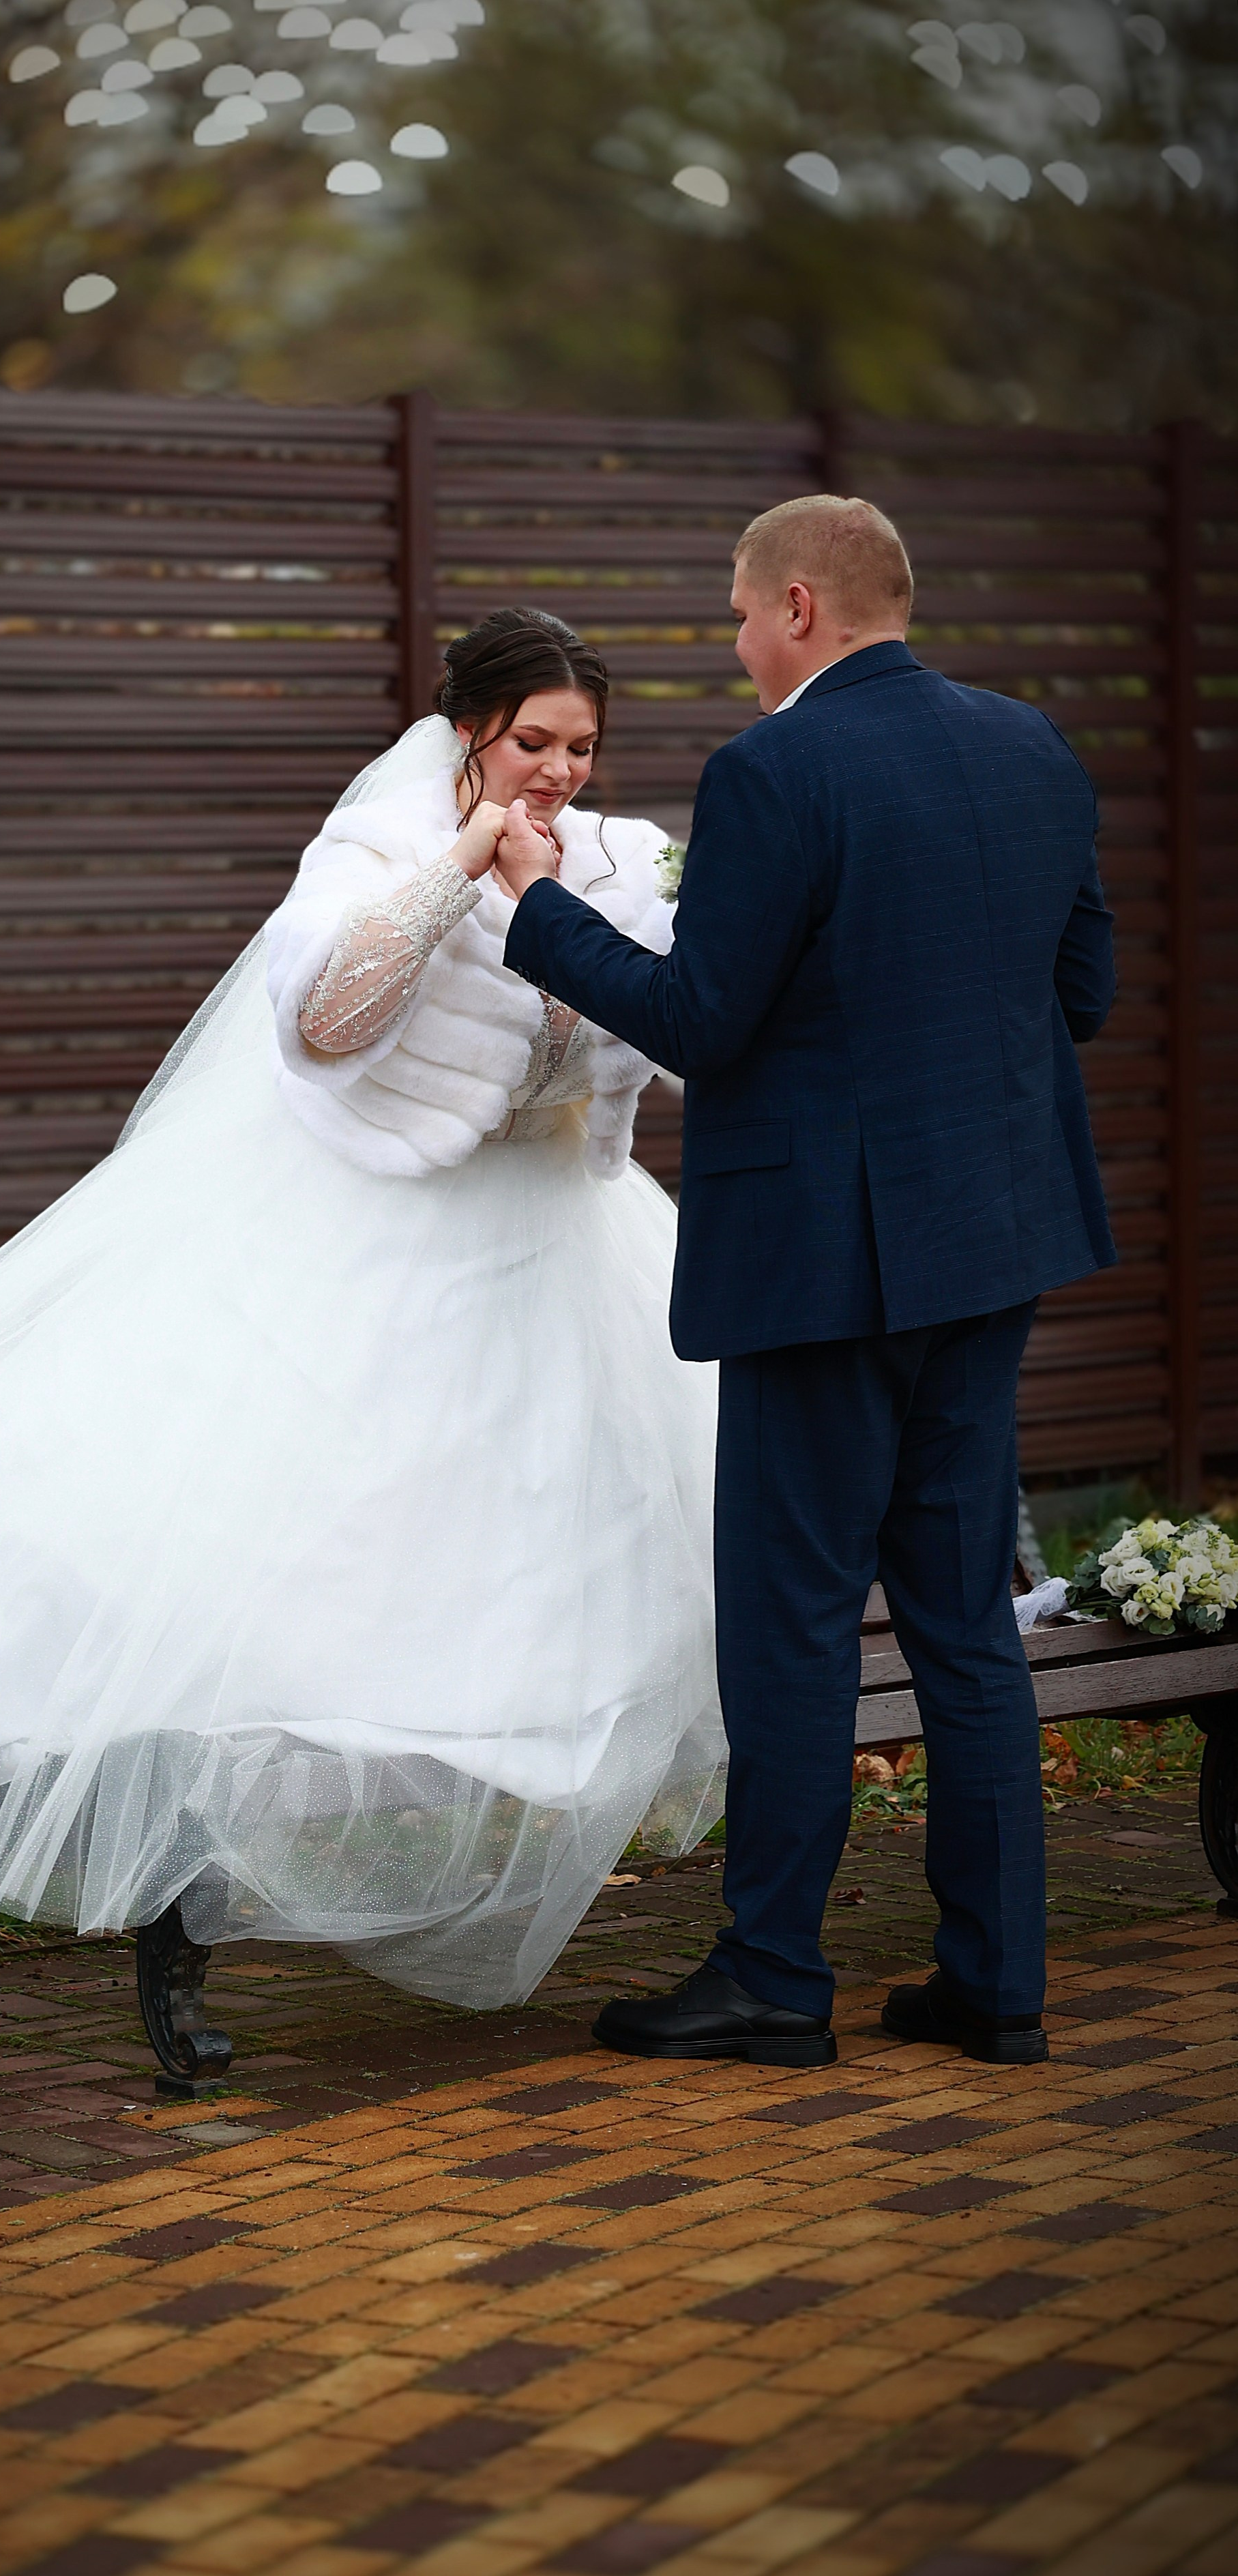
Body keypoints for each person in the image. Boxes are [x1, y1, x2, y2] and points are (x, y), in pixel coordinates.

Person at [0, 608, 724, 2043]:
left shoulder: (614, 857)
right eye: (531, 740)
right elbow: (323, 1023)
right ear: (468, 728)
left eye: (580, 747)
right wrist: (464, 862)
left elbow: (619, 1036)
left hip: (543, 1242)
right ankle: (159, 1944)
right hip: (368, 1229)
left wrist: (564, 909)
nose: (554, 769)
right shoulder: (376, 847)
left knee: (511, 1581)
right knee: (265, 1560)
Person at [495, 496, 1117, 2070]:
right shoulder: (1028, 745)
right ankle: (994, 1983)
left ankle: (772, 1975)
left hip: (820, 1267)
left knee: (786, 1627)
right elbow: (1082, 993)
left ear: (794, 606)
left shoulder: (773, 766)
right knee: (961, 1623)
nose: (729, 642)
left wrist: (530, 905)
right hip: (993, 1240)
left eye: (731, 613)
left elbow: (699, 1019)